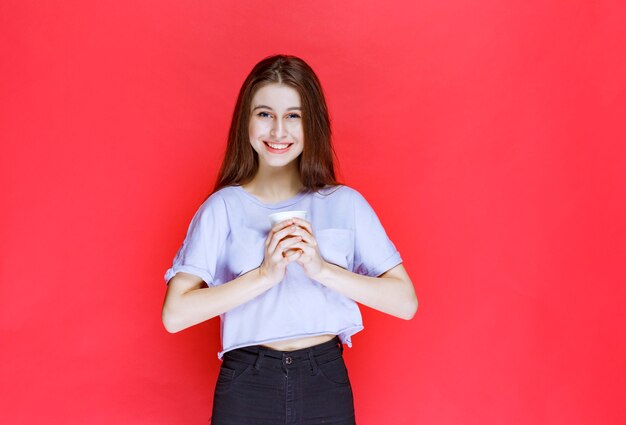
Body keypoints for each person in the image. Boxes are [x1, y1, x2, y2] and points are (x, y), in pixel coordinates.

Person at [161, 54, 417, 425]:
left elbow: (405, 302)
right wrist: (264, 275)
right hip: (247, 381)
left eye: (293, 116)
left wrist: (321, 269)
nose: (278, 131)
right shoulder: (223, 207)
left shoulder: (345, 203)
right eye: (265, 114)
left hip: (324, 379)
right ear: (245, 122)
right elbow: (175, 314)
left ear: (312, 123)